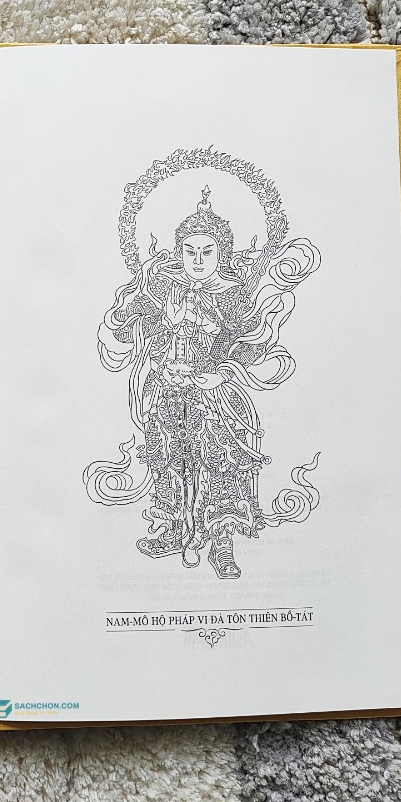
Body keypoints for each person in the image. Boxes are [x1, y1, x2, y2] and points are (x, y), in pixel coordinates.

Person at [84, 186, 319, 579]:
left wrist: (222, 373)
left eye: (206, 252)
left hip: (212, 395)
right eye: (189, 251)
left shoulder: (231, 295)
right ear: (179, 251)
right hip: (167, 389)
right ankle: (174, 530)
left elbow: (250, 342)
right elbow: (136, 323)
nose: (197, 260)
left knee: (218, 463)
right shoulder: (163, 285)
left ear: (220, 254)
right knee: (167, 459)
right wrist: (134, 319)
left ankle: (221, 545)